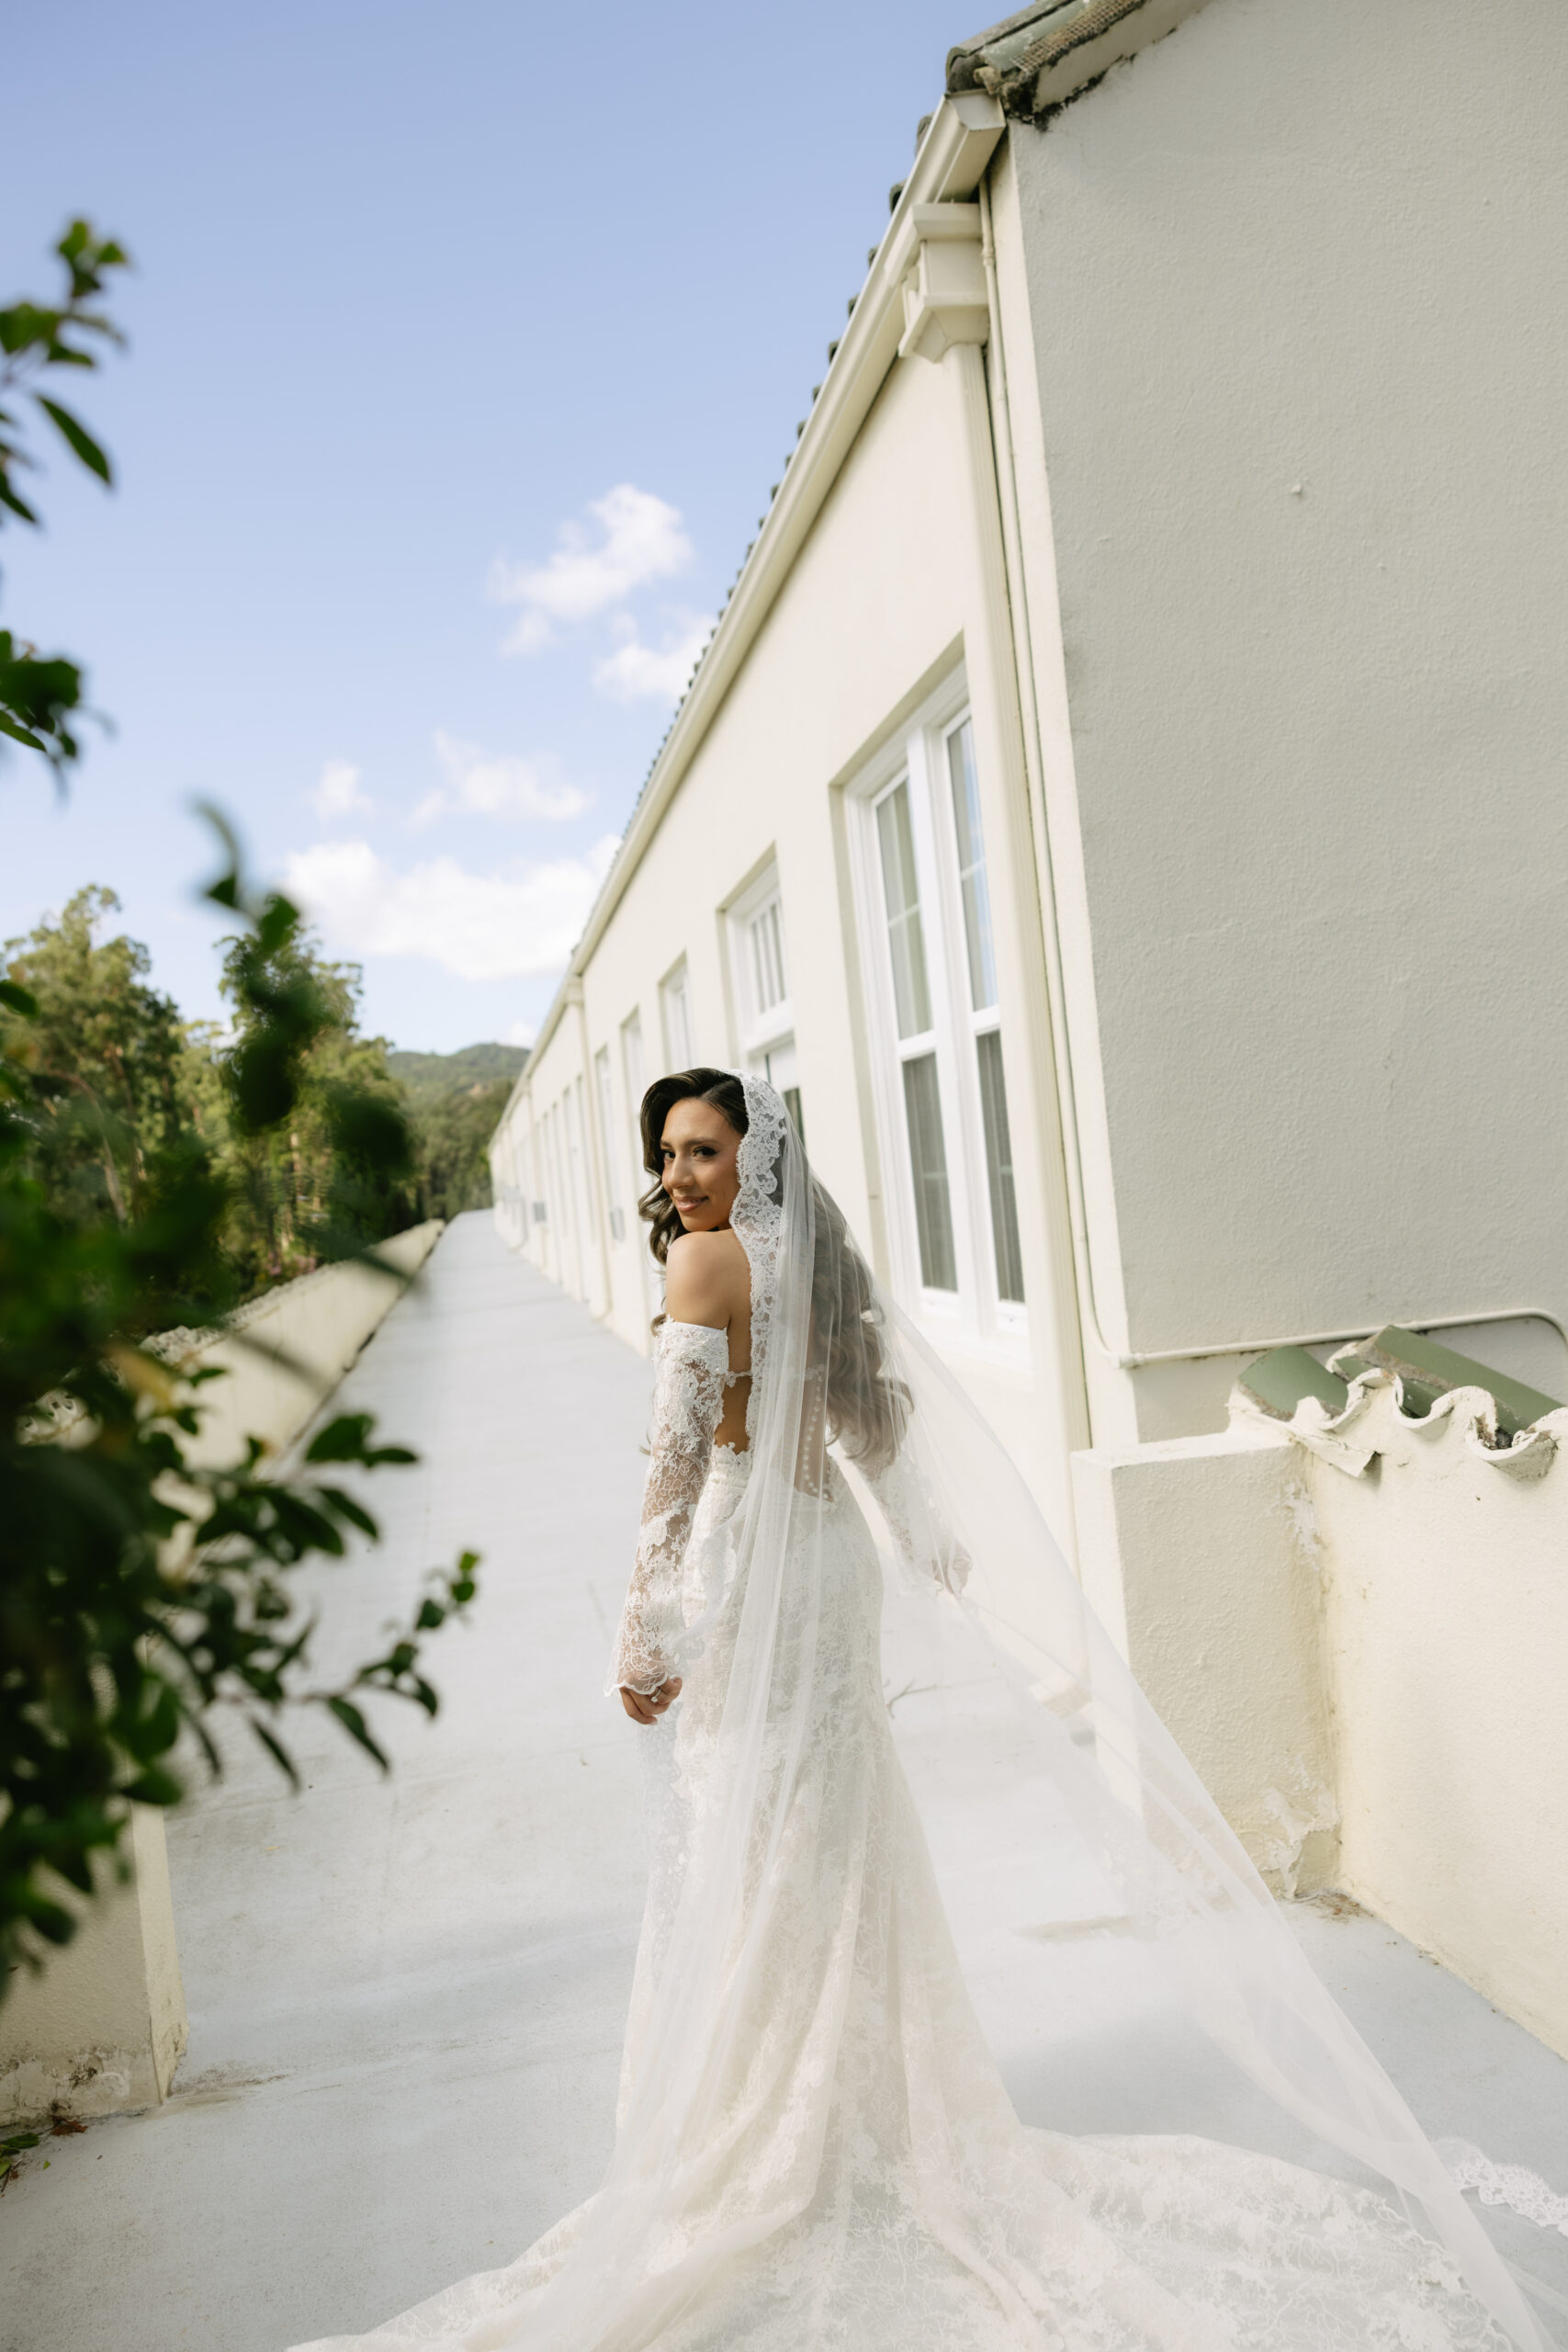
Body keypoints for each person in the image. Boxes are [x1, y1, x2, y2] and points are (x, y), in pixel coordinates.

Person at [292, 1069, 1545, 2352]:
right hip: (830, 1559)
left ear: (748, 1162)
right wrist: (925, 1537)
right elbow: (869, 1431)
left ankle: (772, 2119)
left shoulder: (707, 1268)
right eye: (668, 1154)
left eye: (705, 1151)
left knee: (749, 1823)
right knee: (828, 1824)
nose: (680, 1176)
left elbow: (675, 1466)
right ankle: (847, 2102)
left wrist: (643, 1621)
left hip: (754, 1562)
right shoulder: (811, 1265)